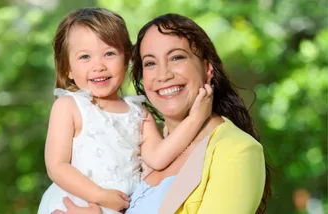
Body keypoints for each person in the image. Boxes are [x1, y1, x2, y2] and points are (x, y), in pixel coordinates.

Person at [55, 13, 271, 214]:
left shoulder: (237, 150)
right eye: (150, 63)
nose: (163, 75)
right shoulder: (145, 147)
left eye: (177, 57)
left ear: (207, 69)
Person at [38, 8, 213, 214]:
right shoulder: (69, 106)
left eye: (109, 53)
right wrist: (100, 196)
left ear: (127, 59)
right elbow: (56, 166)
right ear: (68, 68)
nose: (99, 66)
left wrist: (196, 118)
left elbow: (158, 158)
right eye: (85, 57)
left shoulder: (139, 114)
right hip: (76, 203)